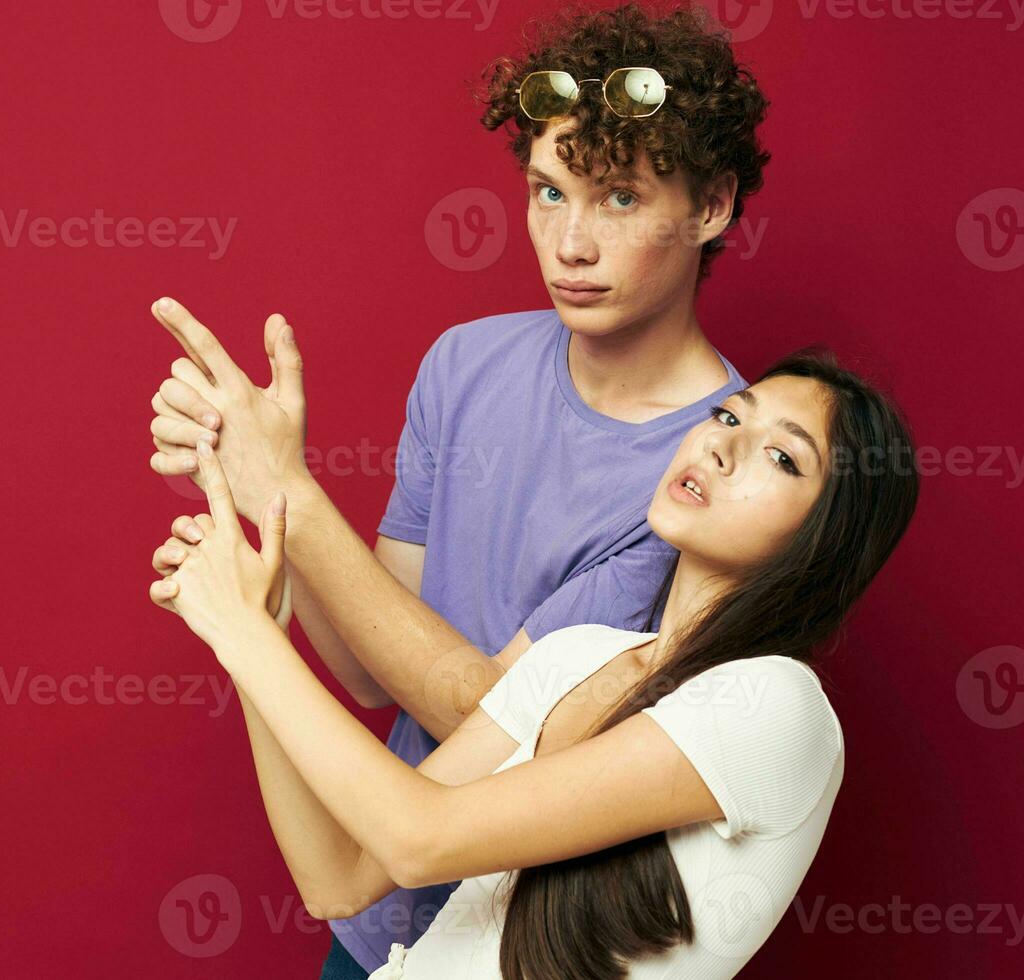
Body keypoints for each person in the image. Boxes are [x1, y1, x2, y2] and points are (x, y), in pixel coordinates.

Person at [146, 4, 771, 974]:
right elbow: (366, 672)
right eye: (546, 191)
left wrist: (295, 494)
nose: (568, 242)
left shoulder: (716, 469)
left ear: (712, 203)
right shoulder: (466, 363)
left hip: (525, 946)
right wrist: (256, 484)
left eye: (616, 198)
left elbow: (498, 716)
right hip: (372, 915)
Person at [149, 347, 920, 978]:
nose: (719, 444)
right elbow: (339, 880)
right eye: (727, 415)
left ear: (826, 541)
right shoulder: (574, 656)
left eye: (781, 457)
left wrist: (242, 631)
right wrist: (254, 636)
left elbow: (420, 840)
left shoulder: (778, 707)